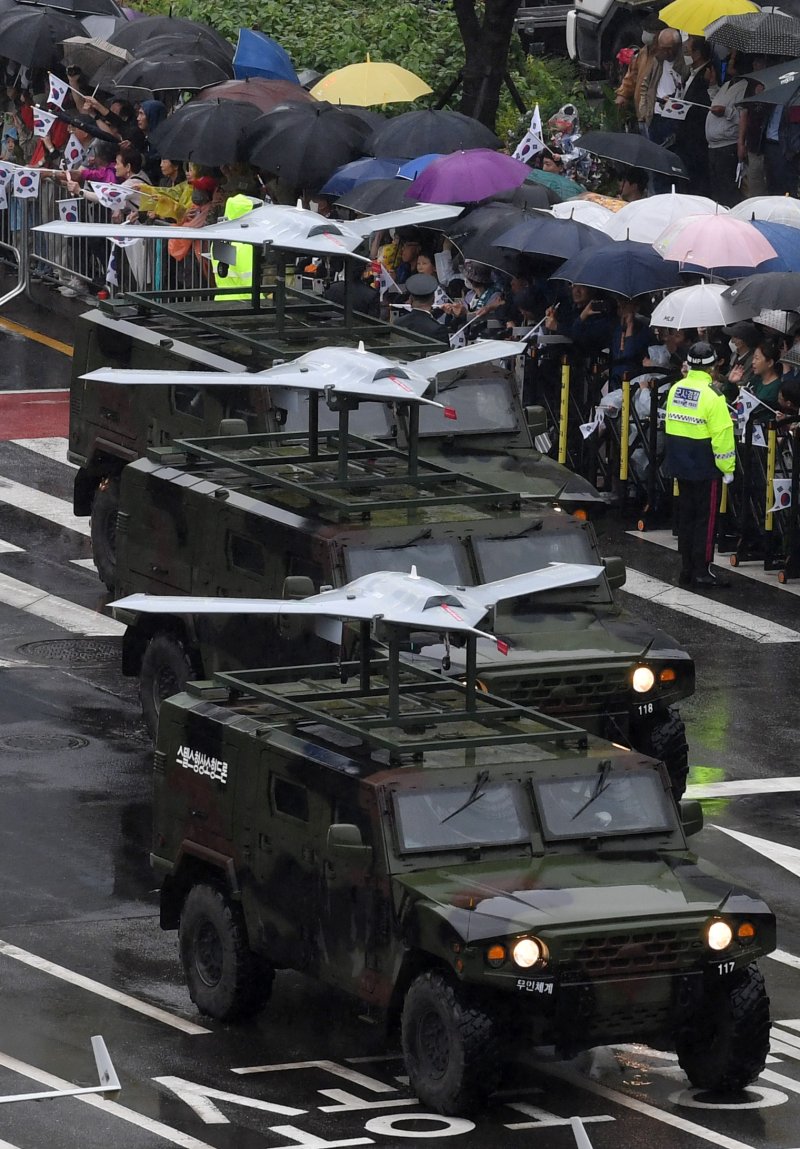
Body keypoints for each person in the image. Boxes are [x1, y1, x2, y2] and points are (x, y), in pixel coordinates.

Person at [665, 341, 736, 588]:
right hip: (705, 465)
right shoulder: (714, 396)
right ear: (712, 367)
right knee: (705, 521)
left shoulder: (676, 388)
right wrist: (728, 469)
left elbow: (671, 424)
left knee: (686, 517)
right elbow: (723, 436)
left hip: (680, 463)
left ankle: (687, 567)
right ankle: (702, 570)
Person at [705, 51, 751, 208]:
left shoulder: (746, 86)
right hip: (713, 147)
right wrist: (712, 85)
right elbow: (716, 101)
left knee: (728, 194)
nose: (729, 62)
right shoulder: (727, 84)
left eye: (732, 59)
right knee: (717, 194)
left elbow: (744, 117)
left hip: (727, 146)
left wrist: (726, 112)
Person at [673, 36, 712, 197]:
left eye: (687, 51)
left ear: (697, 54)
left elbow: (701, 105)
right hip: (685, 138)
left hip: (696, 138)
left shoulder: (707, 74)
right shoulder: (690, 73)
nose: (685, 54)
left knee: (697, 183)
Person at [393, 272, 449, 343]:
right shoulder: (438, 329)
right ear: (433, 299)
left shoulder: (398, 323)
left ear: (411, 299)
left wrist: (439, 311)